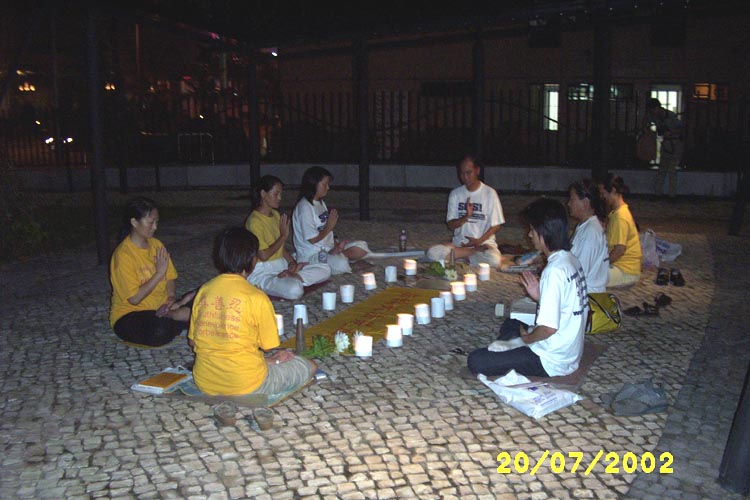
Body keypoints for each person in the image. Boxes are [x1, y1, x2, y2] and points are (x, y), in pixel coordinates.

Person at [467, 198, 588, 377]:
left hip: (550, 360)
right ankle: (512, 347)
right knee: (512, 323)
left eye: (532, 229)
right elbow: (567, 307)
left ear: (544, 231)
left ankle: (514, 348)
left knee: (476, 360)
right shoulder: (570, 259)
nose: (530, 235)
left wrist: (527, 339)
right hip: (568, 352)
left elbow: (548, 329)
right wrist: (539, 297)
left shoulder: (554, 271)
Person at [188, 227, 316, 396]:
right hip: (248, 382)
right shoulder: (256, 296)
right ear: (252, 260)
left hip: (205, 381)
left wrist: (269, 360)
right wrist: (275, 359)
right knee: (310, 365)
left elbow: (193, 342)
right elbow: (269, 345)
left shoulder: (204, 290)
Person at [109, 197, 192, 347]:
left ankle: (178, 316)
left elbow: (170, 277)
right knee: (159, 330)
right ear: (134, 222)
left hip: (162, 309)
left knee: (203, 298)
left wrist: (171, 297)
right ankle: (182, 318)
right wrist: (158, 274)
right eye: (150, 222)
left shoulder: (156, 245)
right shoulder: (123, 255)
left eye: (156, 222)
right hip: (132, 314)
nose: (155, 227)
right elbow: (134, 299)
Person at [245, 175, 331, 300]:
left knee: (325, 269)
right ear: (263, 194)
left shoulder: (275, 215)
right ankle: (289, 279)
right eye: (276, 194)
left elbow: (280, 248)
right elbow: (263, 255)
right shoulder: (254, 222)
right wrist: (283, 236)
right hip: (263, 272)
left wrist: (292, 263)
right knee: (294, 290)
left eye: (281, 194)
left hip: (281, 266)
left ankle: (293, 276)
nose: (280, 198)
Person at [426, 155, 504, 267]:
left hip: (483, 245)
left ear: (477, 171)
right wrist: (466, 217)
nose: (465, 177)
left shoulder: (489, 193)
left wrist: (478, 242)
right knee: (432, 253)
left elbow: (496, 225)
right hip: (459, 244)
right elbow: (451, 225)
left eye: (469, 173)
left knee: (494, 260)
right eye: (462, 173)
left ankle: (459, 255)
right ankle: (469, 254)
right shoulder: (455, 194)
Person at [292, 166, 370, 274]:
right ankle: (332, 260)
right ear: (313, 184)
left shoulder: (320, 203)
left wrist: (336, 245)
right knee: (340, 264)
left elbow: (326, 230)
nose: (328, 187)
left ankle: (337, 256)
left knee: (361, 247)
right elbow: (312, 239)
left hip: (327, 249)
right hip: (312, 255)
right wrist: (329, 227)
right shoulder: (304, 208)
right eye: (324, 184)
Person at [599, 174, 642, 288]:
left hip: (625, 271)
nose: (602, 197)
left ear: (613, 191)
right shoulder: (618, 212)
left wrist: (600, 265)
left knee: (589, 277)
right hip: (623, 268)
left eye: (603, 193)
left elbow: (619, 251)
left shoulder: (620, 217)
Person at [568, 179, 609, 293]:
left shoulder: (590, 232)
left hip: (587, 294)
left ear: (585, 203)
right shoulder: (585, 226)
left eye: (572, 200)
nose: (569, 204)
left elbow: (580, 272)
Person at [644, 98, 684, 199]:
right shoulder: (654, 116)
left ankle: (672, 195)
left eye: (652, 109)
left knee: (672, 170)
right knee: (662, 169)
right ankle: (658, 193)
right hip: (666, 143)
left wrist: (671, 132)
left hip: (674, 143)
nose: (652, 112)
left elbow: (680, 128)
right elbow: (646, 123)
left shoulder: (671, 115)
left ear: (657, 107)